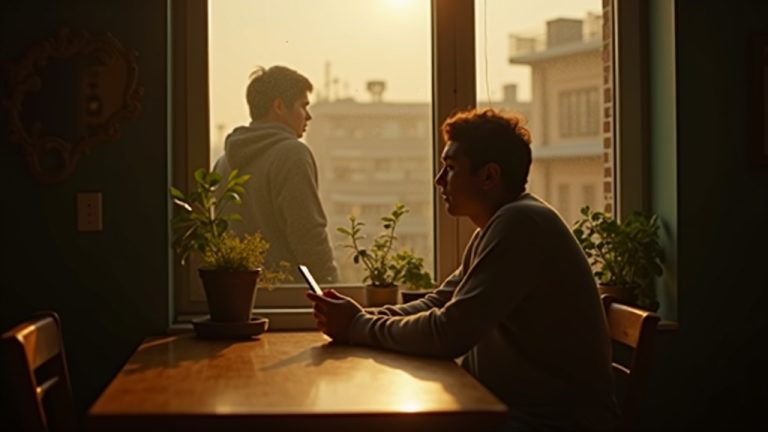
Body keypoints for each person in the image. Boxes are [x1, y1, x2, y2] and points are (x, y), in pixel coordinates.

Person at [307, 108, 618, 431]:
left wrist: (358, 326)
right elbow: (438, 302)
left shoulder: (520, 225)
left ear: (489, 176)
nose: (439, 179)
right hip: (515, 411)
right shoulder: (497, 227)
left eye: (451, 167)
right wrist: (365, 318)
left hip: (554, 422)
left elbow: (449, 332)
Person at [214, 65, 338, 283]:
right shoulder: (292, 154)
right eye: (303, 106)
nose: (308, 116)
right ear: (279, 106)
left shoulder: (223, 164)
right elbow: (309, 235)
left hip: (238, 299)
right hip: (288, 300)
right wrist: (333, 293)